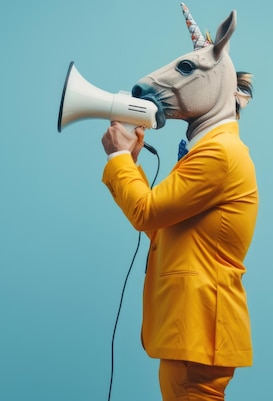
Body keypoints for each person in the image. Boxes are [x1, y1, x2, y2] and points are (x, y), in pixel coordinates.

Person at [101, 118, 258, 400]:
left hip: (197, 331)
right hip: (194, 334)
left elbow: (145, 214)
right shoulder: (220, 151)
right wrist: (131, 165)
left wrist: (119, 157)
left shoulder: (218, 153)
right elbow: (162, 230)